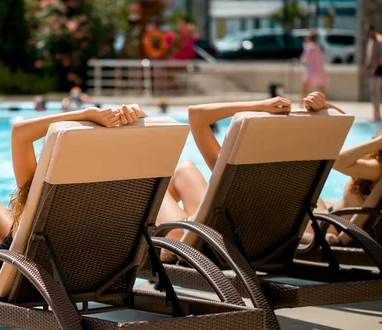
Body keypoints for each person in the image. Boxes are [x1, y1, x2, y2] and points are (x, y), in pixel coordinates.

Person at [0, 104, 146, 280]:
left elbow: (19, 132)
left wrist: (84, 115)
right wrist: (137, 114)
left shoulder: (43, 191)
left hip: (0, 269)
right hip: (73, 272)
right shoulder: (114, 191)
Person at [155, 92, 343, 242]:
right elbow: (339, 127)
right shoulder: (300, 183)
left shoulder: (236, 176)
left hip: (200, 239)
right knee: (184, 169)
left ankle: (157, 247)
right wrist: (325, 108)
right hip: (227, 235)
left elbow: (196, 115)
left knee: (155, 188)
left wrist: (259, 106)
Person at [300, 31, 328, 104]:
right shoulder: (318, 47)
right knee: (321, 89)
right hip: (319, 71)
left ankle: (301, 104)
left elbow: (304, 59)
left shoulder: (308, 47)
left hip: (311, 71)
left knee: (304, 88)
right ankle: (324, 103)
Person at [363, 24, 382, 122]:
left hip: (378, 70)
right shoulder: (370, 41)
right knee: (373, 92)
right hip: (370, 70)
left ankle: (377, 115)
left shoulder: (379, 40)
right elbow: (368, 57)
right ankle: (375, 114)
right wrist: (365, 69)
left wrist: (375, 68)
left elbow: (380, 55)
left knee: (376, 92)